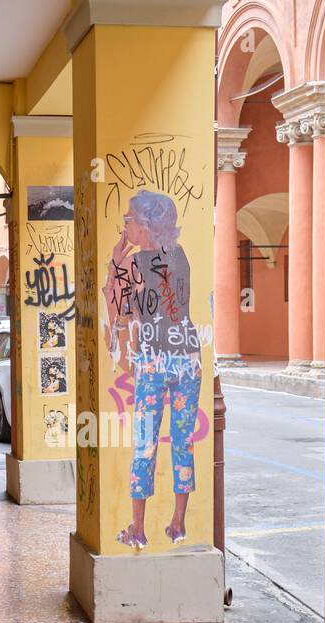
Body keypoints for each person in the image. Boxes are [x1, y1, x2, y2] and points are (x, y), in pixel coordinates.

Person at [103, 189, 201, 551]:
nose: (125, 226)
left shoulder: (132, 265)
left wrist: (114, 266)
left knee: (144, 445)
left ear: (146, 225)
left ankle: (139, 528)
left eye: (129, 220)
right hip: (188, 358)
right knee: (182, 442)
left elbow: (117, 316)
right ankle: (178, 524)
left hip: (153, 361)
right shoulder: (181, 256)